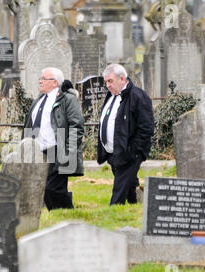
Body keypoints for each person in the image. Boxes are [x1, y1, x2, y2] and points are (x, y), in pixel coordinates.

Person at [23, 67, 84, 210]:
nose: (40, 81)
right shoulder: (38, 100)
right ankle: (60, 215)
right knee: (43, 187)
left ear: (55, 82)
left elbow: (77, 125)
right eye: (40, 78)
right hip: (39, 151)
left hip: (58, 150)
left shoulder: (67, 99)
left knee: (53, 187)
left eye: (44, 78)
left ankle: (67, 214)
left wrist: (69, 150)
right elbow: (30, 125)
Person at [97, 63, 154, 205]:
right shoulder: (111, 96)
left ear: (122, 79)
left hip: (130, 153)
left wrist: (132, 151)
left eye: (110, 81)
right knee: (128, 185)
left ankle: (113, 213)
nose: (108, 85)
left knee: (118, 190)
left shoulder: (138, 96)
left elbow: (146, 128)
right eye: (106, 82)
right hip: (114, 153)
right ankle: (136, 204)